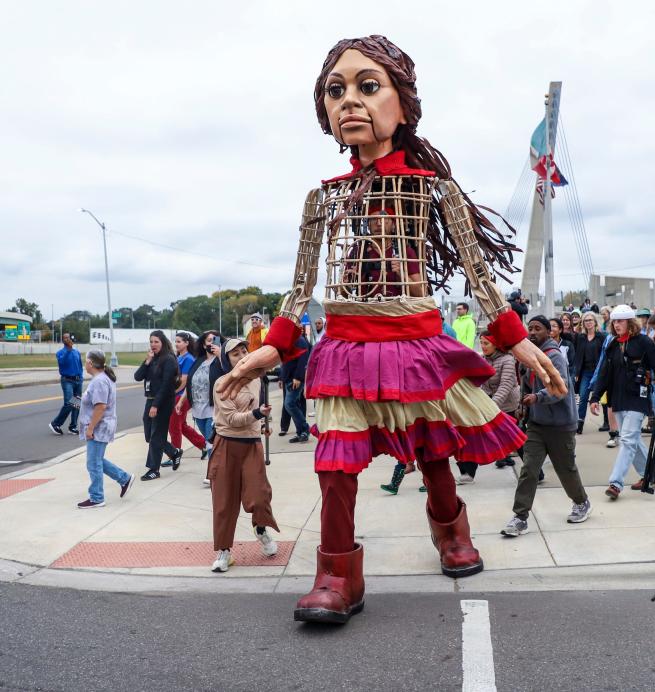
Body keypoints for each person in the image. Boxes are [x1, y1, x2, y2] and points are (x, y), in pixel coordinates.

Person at [215, 34, 562, 625]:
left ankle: (451, 535)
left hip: (416, 344)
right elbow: (300, 288)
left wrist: (515, 335)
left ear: (402, 103)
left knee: (432, 449)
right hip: (347, 346)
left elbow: (480, 279)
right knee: (334, 468)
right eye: (335, 90)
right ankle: (336, 574)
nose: (349, 101)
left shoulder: (435, 190)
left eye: (368, 87)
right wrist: (269, 348)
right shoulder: (322, 199)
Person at [501, 316, 591, 535]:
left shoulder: (555, 357)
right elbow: (525, 385)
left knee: (565, 469)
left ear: (549, 332)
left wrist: (538, 398)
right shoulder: (527, 358)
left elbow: (560, 389)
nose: (532, 332)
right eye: (529, 328)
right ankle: (520, 517)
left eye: (538, 329)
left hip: (560, 425)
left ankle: (581, 502)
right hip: (537, 425)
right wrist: (524, 407)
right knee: (529, 470)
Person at [209, 338, 280, 573]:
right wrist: (257, 414)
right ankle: (224, 552)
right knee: (224, 503)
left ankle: (261, 529)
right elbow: (232, 420)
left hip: (251, 445)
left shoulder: (258, 380)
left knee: (259, 496)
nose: (241, 357)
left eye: (243, 351)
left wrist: (263, 421)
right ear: (226, 360)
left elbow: (258, 413)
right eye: (234, 354)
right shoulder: (221, 383)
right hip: (226, 445)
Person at [589, 305, 655, 498]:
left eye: (621, 321)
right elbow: (604, 373)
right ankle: (649, 475)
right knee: (632, 439)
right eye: (614, 321)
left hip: (638, 398)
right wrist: (594, 397)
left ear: (630, 322)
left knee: (626, 440)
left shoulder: (643, 342)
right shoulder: (612, 344)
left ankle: (616, 483)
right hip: (617, 398)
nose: (617, 325)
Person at [456, 331, 520, 480]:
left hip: (507, 406)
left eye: (486, 343)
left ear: (496, 344)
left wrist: (490, 406)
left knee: (516, 440)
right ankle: (468, 473)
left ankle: (536, 473)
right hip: (489, 405)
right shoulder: (482, 359)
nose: (483, 346)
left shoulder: (508, 360)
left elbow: (505, 386)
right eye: (481, 343)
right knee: (475, 436)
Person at [76, 350, 134, 508]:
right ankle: (124, 479)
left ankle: (97, 497)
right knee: (97, 460)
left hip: (99, 427)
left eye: (86, 361)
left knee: (93, 463)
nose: (85, 364)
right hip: (101, 425)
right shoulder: (101, 378)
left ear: (92, 363)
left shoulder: (99, 381)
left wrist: (90, 428)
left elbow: (101, 407)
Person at [134, 331, 180, 481]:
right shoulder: (153, 359)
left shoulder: (169, 360)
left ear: (163, 343)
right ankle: (174, 452)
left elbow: (167, 385)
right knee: (149, 435)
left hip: (163, 402)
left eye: (156, 342)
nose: (153, 345)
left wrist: (156, 405)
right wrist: (146, 362)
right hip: (151, 400)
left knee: (156, 435)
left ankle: (154, 469)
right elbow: (138, 377)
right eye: (151, 342)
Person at [180, 331, 221, 468]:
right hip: (198, 410)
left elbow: (230, 372)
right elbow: (190, 382)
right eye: (209, 340)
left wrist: (220, 354)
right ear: (203, 344)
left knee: (210, 442)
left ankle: (212, 474)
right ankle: (222, 469)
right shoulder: (198, 361)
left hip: (213, 408)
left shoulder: (222, 360)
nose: (212, 343)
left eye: (215, 340)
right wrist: (181, 401)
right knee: (211, 442)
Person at [166, 332, 207, 467]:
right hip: (177, 396)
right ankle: (204, 445)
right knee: (181, 426)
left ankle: (174, 454)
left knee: (174, 426)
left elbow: (184, 381)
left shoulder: (188, 359)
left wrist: (171, 394)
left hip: (181, 397)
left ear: (187, 343)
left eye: (179, 341)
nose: (176, 344)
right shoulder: (178, 358)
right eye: (175, 341)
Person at [572, 312, 603, 434]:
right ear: (583, 323)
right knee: (583, 396)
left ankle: (606, 422)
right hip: (585, 372)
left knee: (603, 398)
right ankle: (580, 423)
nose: (588, 322)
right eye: (586, 320)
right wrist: (576, 371)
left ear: (595, 322)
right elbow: (578, 356)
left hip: (599, 372)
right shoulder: (580, 337)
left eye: (590, 320)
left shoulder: (601, 336)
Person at [281, 328, 312, 443]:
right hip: (288, 379)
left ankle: (304, 429)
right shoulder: (289, 340)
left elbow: (303, 360)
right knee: (293, 404)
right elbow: (284, 361)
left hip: (295, 379)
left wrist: (298, 377)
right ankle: (301, 432)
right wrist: (282, 378)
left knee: (289, 404)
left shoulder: (300, 340)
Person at [49, 333, 83, 435]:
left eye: (68, 337)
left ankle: (72, 427)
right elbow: (62, 362)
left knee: (76, 404)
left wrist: (81, 377)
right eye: (65, 338)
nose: (67, 339)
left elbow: (80, 366)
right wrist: (68, 350)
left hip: (78, 381)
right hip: (67, 380)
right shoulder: (60, 353)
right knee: (68, 403)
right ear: (62, 340)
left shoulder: (77, 352)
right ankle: (55, 423)